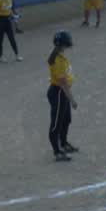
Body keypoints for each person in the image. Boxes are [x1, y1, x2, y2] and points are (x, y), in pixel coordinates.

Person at [46, 31, 79, 162]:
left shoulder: (59, 55)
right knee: (56, 124)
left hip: (61, 92)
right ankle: (57, 151)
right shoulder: (58, 60)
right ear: (63, 44)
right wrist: (72, 100)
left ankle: (64, 144)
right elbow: (63, 83)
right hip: (59, 93)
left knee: (66, 120)